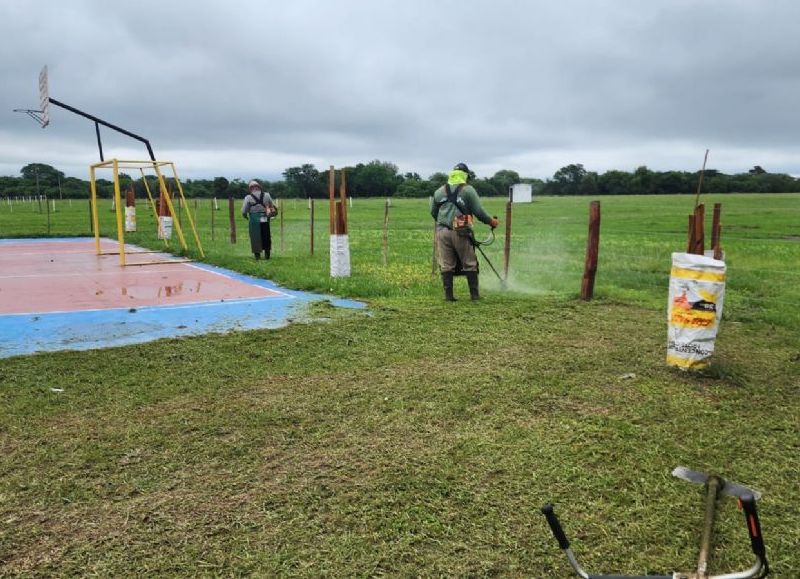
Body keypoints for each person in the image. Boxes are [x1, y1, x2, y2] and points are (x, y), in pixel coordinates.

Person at [430, 162, 498, 301]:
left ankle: (448, 296)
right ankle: (474, 295)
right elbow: (479, 212)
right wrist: (491, 222)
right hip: (461, 231)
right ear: (465, 175)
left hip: (442, 231)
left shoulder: (439, 191)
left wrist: (444, 221)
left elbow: (433, 212)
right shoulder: (468, 190)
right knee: (469, 262)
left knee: (446, 263)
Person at [242, 180, 276, 259]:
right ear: (259, 187)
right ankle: (267, 255)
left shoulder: (248, 197)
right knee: (266, 235)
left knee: (255, 236)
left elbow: (244, 211)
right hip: (265, 218)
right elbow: (272, 206)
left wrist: (245, 216)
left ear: (251, 188)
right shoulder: (267, 195)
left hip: (254, 219)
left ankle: (257, 256)